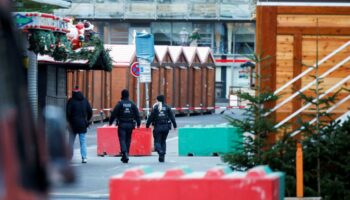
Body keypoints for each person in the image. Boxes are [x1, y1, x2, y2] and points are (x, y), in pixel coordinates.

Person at [109, 89, 141, 163]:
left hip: (122, 124)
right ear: (128, 95)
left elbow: (114, 114)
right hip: (130, 124)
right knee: (128, 139)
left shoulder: (119, 104)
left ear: (122, 95)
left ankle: (124, 153)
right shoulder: (132, 104)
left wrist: (110, 122)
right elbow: (137, 114)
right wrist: (138, 123)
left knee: (122, 139)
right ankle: (126, 155)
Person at [146, 95, 177, 162]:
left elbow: (151, 117)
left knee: (157, 141)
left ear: (158, 100)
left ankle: (160, 151)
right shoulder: (167, 107)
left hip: (158, 127)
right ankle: (162, 157)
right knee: (163, 141)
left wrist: (147, 125)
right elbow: (172, 117)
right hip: (166, 127)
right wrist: (175, 125)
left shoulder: (156, 107)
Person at [66, 86, 92, 164]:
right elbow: (90, 111)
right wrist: (87, 120)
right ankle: (84, 158)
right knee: (83, 141)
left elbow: (67, 113)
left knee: (71, 142)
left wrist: (69, 121)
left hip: (73, 124)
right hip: (82, 124)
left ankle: (69, 158)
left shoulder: (71, 101)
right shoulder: (85, 100)